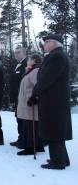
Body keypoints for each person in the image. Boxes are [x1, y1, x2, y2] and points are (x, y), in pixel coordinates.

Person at [28, 34, 72, 170]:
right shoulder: (57, 56)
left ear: (53, 43)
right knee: (57, 130)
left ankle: (57, 162)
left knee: (54, 130)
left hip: (54, 100)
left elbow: (46, 78)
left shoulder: (56, 56)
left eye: (46, 42)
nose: (44, 45)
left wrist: (35, 93)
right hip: (55, 99)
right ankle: (62, 159)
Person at [16, 54, 44, 155]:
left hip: (31, 103)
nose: (27, 61)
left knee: (31, 125)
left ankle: (31, 148)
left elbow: (38, 85)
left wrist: (35, 97)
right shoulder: (31, 71)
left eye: (29, 60)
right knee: (30, 125)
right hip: (26, 102)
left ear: (34, 61)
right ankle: (38, 145)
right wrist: (27, 71)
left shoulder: (36, 71)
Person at [10, 47, 28, 147]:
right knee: (19, 118)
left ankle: (24, 140)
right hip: (17, 97)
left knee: (22, 119)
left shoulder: (26, 64)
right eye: (15, 53)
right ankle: (21, 138)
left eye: (18, 52)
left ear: (24, 53)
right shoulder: (18, 64)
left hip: (23, 97)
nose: (16, 54)